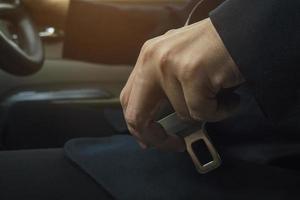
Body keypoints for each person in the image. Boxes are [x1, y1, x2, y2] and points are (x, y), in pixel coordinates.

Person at [0, 0, 299, 199]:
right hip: (185, 128)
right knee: (20, 118)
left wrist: (243, 34)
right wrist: (64, 14)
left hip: (257, 161)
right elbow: (179, 29)